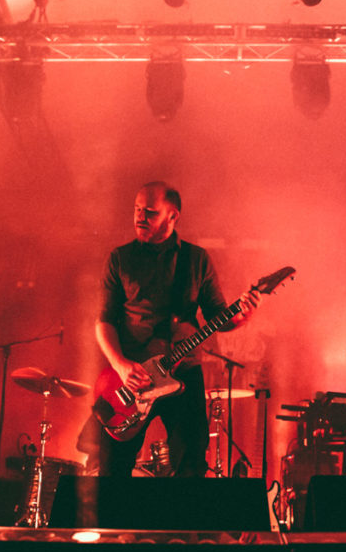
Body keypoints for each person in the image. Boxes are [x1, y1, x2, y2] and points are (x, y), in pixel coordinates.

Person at [80, 181, 260, 476]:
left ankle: (181, 522)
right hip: (131, 377)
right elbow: (104, 321)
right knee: (112, 467)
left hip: (184, 372)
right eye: (137, 210)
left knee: (192, 461)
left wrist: (244, 315)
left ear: (172, 216)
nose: (139, 217)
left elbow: (219, 317)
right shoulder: (120, 259)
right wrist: (121, 366)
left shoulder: (196, 259)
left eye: (149, 212)